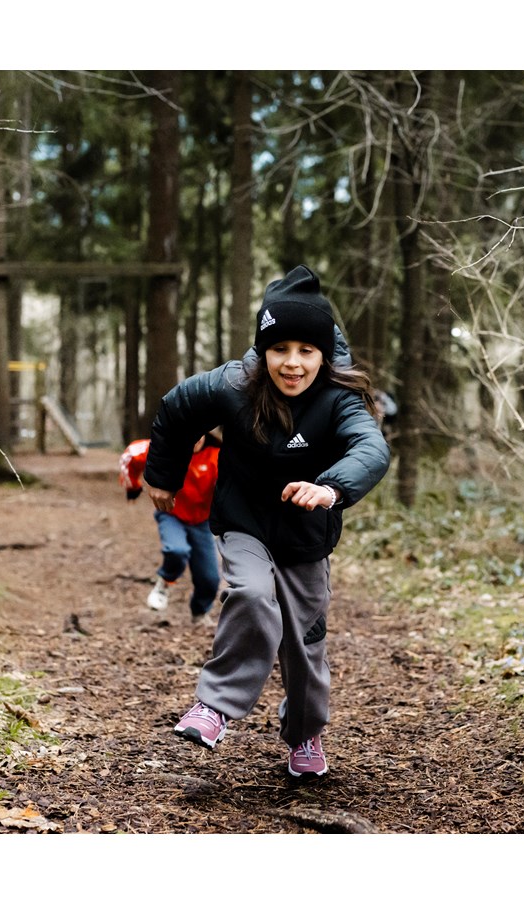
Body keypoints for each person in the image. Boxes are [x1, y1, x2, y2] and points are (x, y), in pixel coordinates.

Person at [143, 264, 390, 777]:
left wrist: (331, 487)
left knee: (303, 641)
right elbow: (175, 410)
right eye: (280, 349)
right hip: (246, 522)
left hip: (306, 536)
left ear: (323, 354)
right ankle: (214, 706)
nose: (293, 364)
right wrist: (163, 475)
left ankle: (304, 735)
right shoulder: (233, 384)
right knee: (252, 594)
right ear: (263, 349)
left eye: (307, 351)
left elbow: (371, 447)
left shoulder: (339, 398)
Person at [119, 433, 220, 621]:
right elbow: (131, 455)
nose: (195, 438)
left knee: (210, 580)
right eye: (191, 432)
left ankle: (200, 612)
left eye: (200, 433)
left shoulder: (217, 456)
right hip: (171, 514)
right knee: (177, 551)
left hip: (202, 522)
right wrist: (132, 487)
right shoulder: (165, 449)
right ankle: (164, 583)